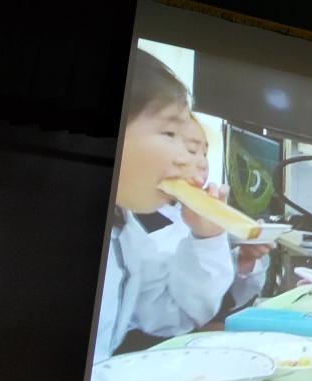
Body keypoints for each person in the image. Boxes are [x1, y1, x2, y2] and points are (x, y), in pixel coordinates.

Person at [93, 49, 234, 363]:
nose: (187, 160)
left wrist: (208, 238)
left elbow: (176, 312)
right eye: (170, 134)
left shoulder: (125, 231)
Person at [144, 114, 272, 310]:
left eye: (204, 154)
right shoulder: (136, 223)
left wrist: (245, 259)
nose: (203, 164)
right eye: (191, 151)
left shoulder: (199, 218)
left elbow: (226, 301)